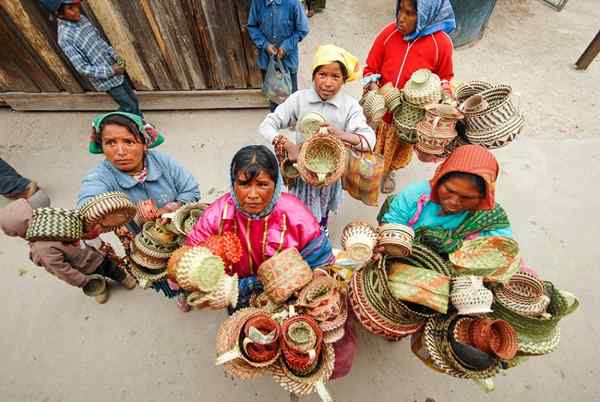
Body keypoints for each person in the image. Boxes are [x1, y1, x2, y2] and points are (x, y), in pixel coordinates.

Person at [185, 145, 334, 309]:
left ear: (276, 184)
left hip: (289, 300)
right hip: (236, 296)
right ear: (233, 184)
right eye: (244, 184)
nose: (253, 195)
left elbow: (320, 257)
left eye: (262, 184)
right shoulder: (217, 215)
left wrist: (313, 285)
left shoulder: (295, 212)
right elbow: (192, 258)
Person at [78, 111, 200, 310]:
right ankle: (179, 294)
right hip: (144, 243)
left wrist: (171, 207)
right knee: (164, 274)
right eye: (110, 143)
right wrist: (95, 219)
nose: (120, 151)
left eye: (129, 141)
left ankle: (191, 288)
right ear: (101, 146)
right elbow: (88, 202)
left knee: (189, 266)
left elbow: (191, 190)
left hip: (180, 232)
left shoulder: (164, 162)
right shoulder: (100, 178)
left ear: (144, 143)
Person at [259, 45, 375, 234]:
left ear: (344, 80)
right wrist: (288, 145)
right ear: (313, 75)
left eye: (335, 77)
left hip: (329, 175)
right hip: (301, 171)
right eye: (322, 74)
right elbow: (266, 125)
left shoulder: (349, 106)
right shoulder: (299, 100)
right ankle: (300, 231)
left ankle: (320, 230)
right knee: (299, 206)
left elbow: (369, 140)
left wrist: (341, 135)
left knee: (322, 206)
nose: (328, 83)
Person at [363, 0, 456, 193]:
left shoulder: (441, 44)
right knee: (371, 144)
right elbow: (371, 66)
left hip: (409, 117)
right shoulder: (389, 33)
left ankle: (390, 171)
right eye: (400, 10)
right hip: (381, 111)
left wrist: (446, 99)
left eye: (410, 13)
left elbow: (445, 78)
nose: (401, 18)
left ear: (426, 16)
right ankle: (371, 168)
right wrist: (374, 90)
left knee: (397, 149)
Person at [378, 144, 512, 256]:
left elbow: (501, 252)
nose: (453, 202)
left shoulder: (489, 217)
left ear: (483, 196)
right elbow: (391, 226)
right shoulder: (416, 195)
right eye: (449, 190)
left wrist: (456, 246)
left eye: (467, 197)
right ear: (438, 180)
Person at [0, 198, 136, 304]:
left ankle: (122, 278)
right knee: (96, 279)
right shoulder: (41, 250)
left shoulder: (51, 221)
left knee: (112, 268)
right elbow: (61, 270)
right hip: (86, 269)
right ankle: (100, 288)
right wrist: (82, 281)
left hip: (97, 254)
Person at [40, 0, 142, 116]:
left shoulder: (82, 19)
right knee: (129, 106)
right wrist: (111, 70)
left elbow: (100, 41)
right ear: (59, 14)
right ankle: (134, 128)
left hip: (116, 70)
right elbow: (82, 68)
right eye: (71, 8)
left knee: (133, 100)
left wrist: (116, 57)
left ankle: (140, 124)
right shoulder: (65, 37)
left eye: (76, 5)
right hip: (107, 79)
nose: (77, 10)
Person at [247, 0, 309, 112]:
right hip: (267, 60)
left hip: (288, 60)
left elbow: (302, 29)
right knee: (273, 93)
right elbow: (252, 26)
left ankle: (292, 117)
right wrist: (265, 44)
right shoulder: (257, 3)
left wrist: (286, 46)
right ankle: (276, 118)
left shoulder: (293, 3)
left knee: (291, 92)